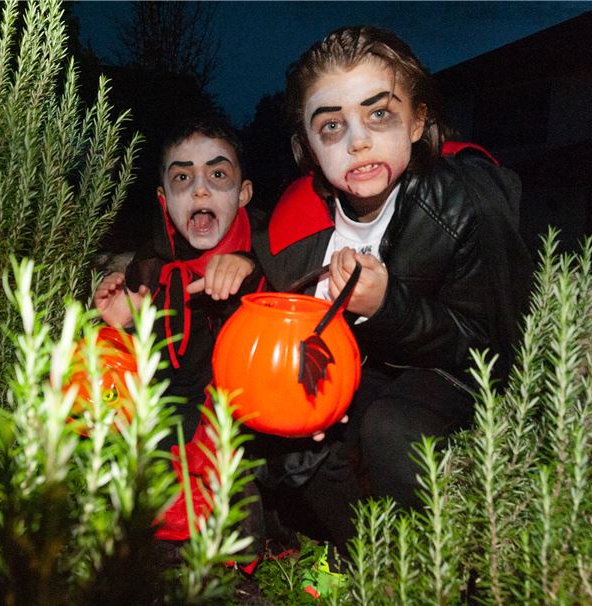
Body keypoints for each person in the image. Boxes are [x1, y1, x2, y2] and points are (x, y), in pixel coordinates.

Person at [252, 26, 533, 561]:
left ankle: (431, 569)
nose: (358, 141)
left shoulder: (464, 206)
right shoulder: (300, 224)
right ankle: (366, 558)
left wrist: (389, 306)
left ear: (418, 121)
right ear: (308, 148)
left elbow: (496, 353)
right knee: (289, 428)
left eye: (379, 114)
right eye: (331, 126)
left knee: (389, 426)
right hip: (364, 378)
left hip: (453, 379)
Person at [93, 115, 266, 552]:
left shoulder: (269, 249)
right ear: (164, 198)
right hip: (174, 411)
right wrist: (123, 321)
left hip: (246, 421)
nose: (200, 189)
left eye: (218, 174)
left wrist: (250, 270)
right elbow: (152, 367)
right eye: (183, 177)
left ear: (243, 193)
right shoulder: (153, 263)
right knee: (93, 366)